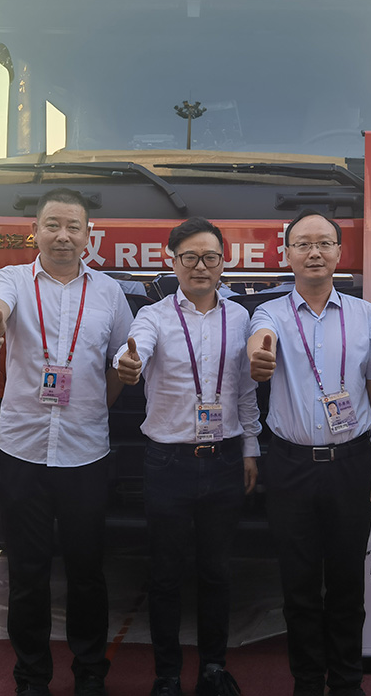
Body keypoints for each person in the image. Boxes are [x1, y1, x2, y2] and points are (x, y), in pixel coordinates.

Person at [0, 187, 132, 696]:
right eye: (52, 226)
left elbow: (122, 361)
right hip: (22, 450)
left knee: (87, 571)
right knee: (28, 571)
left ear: (88, 235)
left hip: (85, 454)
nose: (63, 236)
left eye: (73, 227)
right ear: (35, 232)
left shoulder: (109, 292)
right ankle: (31, 677)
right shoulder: (14, 279)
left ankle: (90, 673)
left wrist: (95, 406)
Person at [247, 210, 371, 696]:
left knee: (347, 584)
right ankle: (308, 682)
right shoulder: (270, 313)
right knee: (299, 586)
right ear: (286, 254)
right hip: (290, 466)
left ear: (339, 252)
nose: (314, 252)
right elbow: (260, 341)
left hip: (351, 465)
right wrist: (259, 356)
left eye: (324, 243)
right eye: (303, 244)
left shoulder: (365, 315)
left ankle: (348, 682)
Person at [115, 217, 261, 696]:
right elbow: (134, 351)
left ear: (224, 262)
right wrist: (128, 363)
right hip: (168, 464)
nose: (201, 266)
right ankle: (168, 675)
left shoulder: (240, 318)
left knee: (217, 571)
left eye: (210, 257)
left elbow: (244, 392)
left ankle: (214, 668)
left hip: (225, 460)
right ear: (172, 261)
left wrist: (251, 448)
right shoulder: (154, 317)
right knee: (166, 574)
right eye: (190, 257)